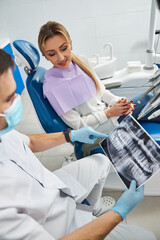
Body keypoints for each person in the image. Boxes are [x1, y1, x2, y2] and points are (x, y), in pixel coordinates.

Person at [0, 49, 157, 240]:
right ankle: (91, 219)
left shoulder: (3, 130)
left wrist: (71, 135)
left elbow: (29, 142)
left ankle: (94, 210)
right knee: (147, 236)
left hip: (53, 187)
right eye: (9, 99)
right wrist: (119, 212)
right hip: (58, 226)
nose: (17, 102)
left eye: (15, 93)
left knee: (100, 161)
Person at [38, 21, 160, 136]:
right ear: (46, 56)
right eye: (52, 54)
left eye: (64, 48)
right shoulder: (52, 86)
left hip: (110, 113)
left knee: (152, 103)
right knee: (149, 101)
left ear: (71, 44)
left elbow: (101, 92)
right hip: (98, 129)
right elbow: (77, 125)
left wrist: (120, 103)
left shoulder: (82, 62)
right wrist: (109, 113)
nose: (60, 57)